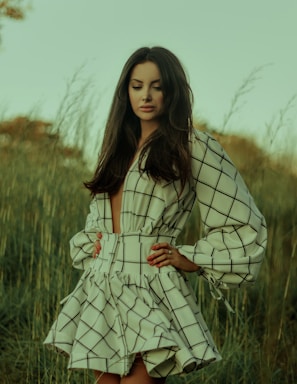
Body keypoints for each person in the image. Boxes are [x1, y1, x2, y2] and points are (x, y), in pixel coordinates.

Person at [44, 46, 267, 383]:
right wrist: (95, 242)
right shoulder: (117, 146)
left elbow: (243, 221)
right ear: (126, 92)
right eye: (136, 86)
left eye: (157, 86)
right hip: (103, 284)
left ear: (173, 90)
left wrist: (191, 258)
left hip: (150, 283)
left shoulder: (194, 146)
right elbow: (101, 210)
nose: (145, 95)